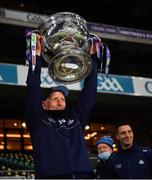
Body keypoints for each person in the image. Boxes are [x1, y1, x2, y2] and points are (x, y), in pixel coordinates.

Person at [25, 34, 98, 179]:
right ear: (44, 104)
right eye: (54, 99)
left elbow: (89, 92)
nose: (60, 102)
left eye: (62, 99)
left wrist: (92, 58)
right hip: (54, 176)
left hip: (83, 175)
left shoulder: (76, 118)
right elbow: (33, 86)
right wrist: (37, 55)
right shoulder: (38, 119)